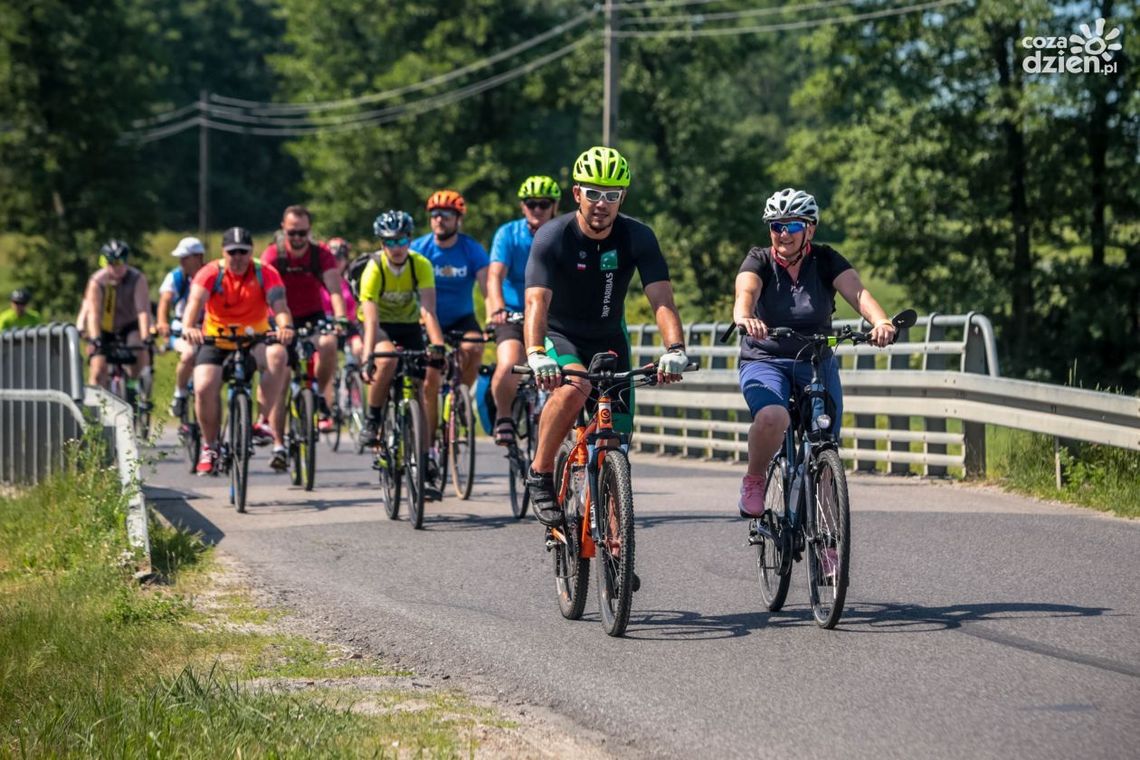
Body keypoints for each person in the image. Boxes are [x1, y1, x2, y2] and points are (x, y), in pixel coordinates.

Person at [523, 146, 689, 527]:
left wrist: (675, 349)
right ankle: (540, 472)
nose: (602, 203)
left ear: (622, 198)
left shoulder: (638, 236)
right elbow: (536, 304)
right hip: (559, 335)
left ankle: (616, 547)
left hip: (609, 337)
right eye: (594, 193)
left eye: (612, 195)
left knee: (614, 442)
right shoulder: (553, 236)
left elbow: (662, 300)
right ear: (577, 193)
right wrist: (535, 353)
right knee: (575, 386)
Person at [731, 188, 896, 525]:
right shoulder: (759, 259)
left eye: (791, 226)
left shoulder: (825, 259)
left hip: (815, 362)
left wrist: (879, 321)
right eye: (776, 226)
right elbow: (746, 290)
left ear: (810, 229)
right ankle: (755, 479)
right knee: (773, 417)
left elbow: (858, 293)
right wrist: (745, 316)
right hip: (766, 360)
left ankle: (829, 543)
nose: (782, 234)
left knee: (825, 446)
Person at [180, 227, 295, 474]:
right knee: (203, 386)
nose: (238, 257)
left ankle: (262, 422)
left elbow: (280, 305)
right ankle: (210, 447)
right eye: (233, 252)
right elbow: (195, 303)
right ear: (224, 252)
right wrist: (189, 326)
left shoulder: (266, 272)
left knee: (278, 355)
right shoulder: (210, 273)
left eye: (243, 251)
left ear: (252, 251)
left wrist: (285, 327)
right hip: (217, 339)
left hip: (254, 338)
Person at [357, 211, 446, 464]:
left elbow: (428, 311)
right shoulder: (374, 268)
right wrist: (368, 357)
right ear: (381, 243)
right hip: (378, 325)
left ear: (409, 239)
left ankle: (425, 453)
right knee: (387, 361)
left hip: (408, 324)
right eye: (389, 242)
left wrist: (437, 345)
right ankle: (373, 419)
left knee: (421, 384)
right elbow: (371, 318)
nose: (396, 248)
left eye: (401, 240)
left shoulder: (421, 264)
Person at [411, 190, 489, 466]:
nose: (439, 219)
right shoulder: (419, 249)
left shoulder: (471, 249)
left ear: (458, 219)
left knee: (475, 344)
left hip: (461, 318)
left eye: (445, 214)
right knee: (430, 381)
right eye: (434, 214)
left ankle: (461, 392)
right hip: (428, 319)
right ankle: (429, 446)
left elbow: (487, 288)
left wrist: (492, 317)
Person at [485, 175, 561, 445]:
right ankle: (504, 416)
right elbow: (495, 275)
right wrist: (497, 308)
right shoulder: (508, 234)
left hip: (552, 315)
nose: (537, 209)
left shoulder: (564, 232)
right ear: (522, 206)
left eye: (543, 203)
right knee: (508, 364)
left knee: (569, 371)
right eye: (531, 204)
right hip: (515, 314)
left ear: (555, 206)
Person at [261, 205, 348, 435]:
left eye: (303, 233)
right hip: (280, 319)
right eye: (292, 233)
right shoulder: (273, 254)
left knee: (328, 343)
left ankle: (319, 394)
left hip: (312, 316)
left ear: (310, 230)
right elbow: (263, 293)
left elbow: (335, 290)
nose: (298, 238)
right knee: (282, 376)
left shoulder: (321, 254)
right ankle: (278, 443)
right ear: (283, 229)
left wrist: (340, 318)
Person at [81, 240, 152, 389]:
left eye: (120, 262)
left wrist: (146, 338)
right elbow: (93, 314)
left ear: (126, 261)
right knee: (98, 370)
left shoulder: (137, 278)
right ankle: (95, 407)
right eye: (111, 263)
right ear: (105, 262)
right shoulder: (97, 281)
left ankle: (137, 391)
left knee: (136, 349)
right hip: (104, 328)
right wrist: (95, 339)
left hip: (129, 324)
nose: (116, 267)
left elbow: (142, 311)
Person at [155, 236, 207, 417]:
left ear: (198, 257)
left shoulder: (212, 275)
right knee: (189, 353)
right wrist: (162, 322)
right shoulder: (176, 277)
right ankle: (180, 394)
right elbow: (165, 301)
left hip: (208, 328)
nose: (181, 261)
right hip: (181, 328)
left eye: (185, 257)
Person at [322, 237, 363, 367]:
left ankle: (355, 382)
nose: (336, 263)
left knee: (359, 348)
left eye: (340, 258)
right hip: (325, 325)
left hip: (348, 325)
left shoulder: (351, 281)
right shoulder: (319, 281)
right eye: (333, 259)